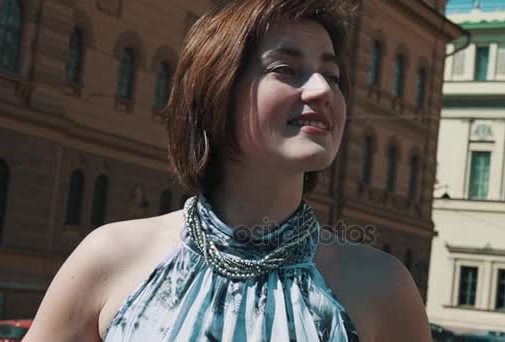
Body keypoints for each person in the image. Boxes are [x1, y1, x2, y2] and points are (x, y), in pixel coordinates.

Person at [24, 0, 431, 341]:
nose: (323, 90)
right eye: (287, 70)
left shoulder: (382, 286)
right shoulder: (110, 258)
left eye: (333, 75)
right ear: (216, 91)